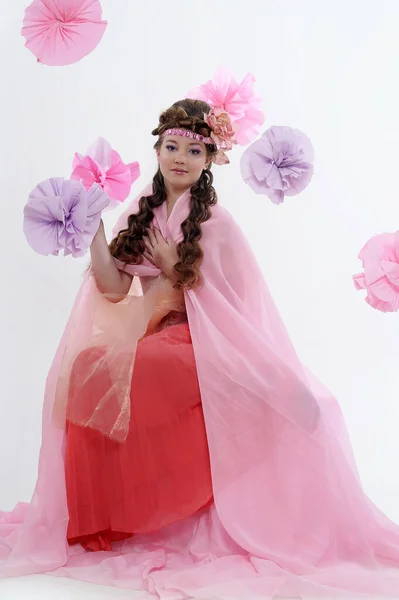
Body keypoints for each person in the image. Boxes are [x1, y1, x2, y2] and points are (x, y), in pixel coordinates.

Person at [3, 98, 399, 599]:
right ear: (158, 149)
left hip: (205, 341)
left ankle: (180, 489)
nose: (180, 159)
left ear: (210, 160)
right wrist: (94, 232)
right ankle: (100, 517)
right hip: (158, 338)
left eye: (194, 150)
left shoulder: (218, 222)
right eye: (172, 147)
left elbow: (231, 303)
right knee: (87, 367)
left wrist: (172, 266)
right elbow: (110, 286)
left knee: (149, 363)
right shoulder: (143, 210)